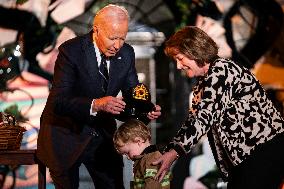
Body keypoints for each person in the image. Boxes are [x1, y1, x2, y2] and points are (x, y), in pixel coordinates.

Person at [36, 4, 161, 189]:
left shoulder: (126, 53)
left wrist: (145, 111)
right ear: (96, 30)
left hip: (102, 136)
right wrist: (96, 105)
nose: (118, 45)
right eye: (113, 38)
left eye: (122, 38)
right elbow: (58, 101)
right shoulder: (71, 51)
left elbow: (134, 94)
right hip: (65, 135)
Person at [152, 26, 284, 189]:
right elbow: (192, 122)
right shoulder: (203, 83)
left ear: (194, 52)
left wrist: (173, 153)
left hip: (264, 152)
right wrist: (170, 150)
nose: (178, 66)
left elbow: (203, 119)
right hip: (246, 158)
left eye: (180, 58)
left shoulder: (222, 70)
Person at [113, 119, 171, 189]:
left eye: (128, 152)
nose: (128, 157)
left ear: (139, 141)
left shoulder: (152, 160)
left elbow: (153, 184)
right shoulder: (144, 159)